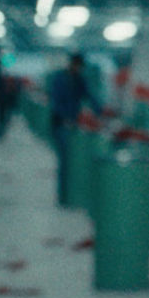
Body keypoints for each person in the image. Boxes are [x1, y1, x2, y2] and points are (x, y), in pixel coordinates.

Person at [49, 53, 100, 205]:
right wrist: (66, 117)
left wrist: (100, 111)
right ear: (71, 64)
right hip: (60, 124)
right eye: (77, 66)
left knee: (73, 161)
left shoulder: (79, 80)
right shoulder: (59, 79)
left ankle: (72, 195)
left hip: (73, 124)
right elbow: (56, 102)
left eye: (80, 67)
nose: (78, 69)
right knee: (64, 160)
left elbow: (89, 96)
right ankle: (63, 196)